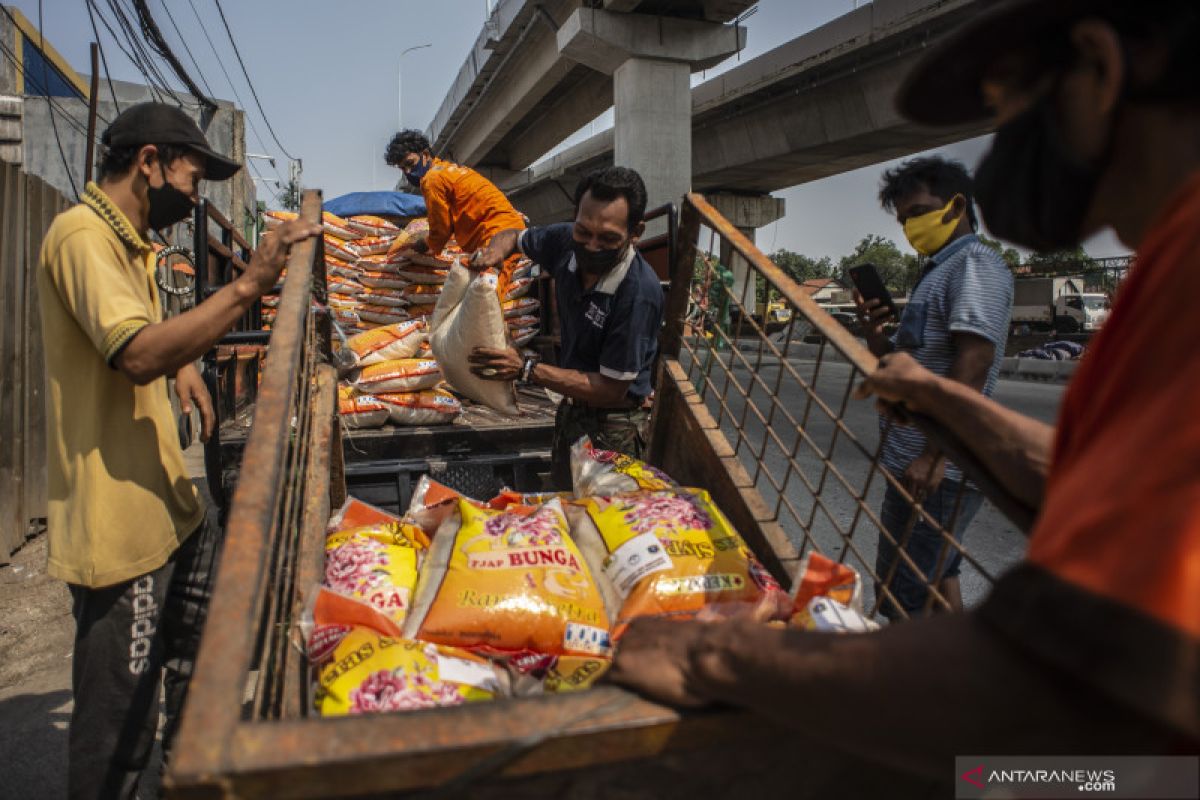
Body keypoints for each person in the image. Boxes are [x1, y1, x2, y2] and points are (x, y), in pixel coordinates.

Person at [609, 0, 1199, 783]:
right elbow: (1100, 487)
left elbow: (1057, 694)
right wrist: (940, 404)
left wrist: (718, 652)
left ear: (1099, 64)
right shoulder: (1165, 264)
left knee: (957, 742)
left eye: (1008, 109)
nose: (1002, 146)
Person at [37, 102, 320, 799]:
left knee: (199, 670)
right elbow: (133, 354)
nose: (195, 194)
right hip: (122, 526)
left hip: (174, 511)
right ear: (150, 162)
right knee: (118, 730)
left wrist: (183, 360)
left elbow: (148, 333)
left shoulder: (130, 244)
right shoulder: (81, 237)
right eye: (193, 176)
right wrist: (250, 285)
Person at [856, 156, 1013, 618]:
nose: (911, 227)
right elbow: (907, 362)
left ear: (957, 206)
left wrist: (935, 454)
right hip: (919, 460)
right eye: (904, 220)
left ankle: (917, 686)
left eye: (919, 212)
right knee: (939, 577)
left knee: (906, 592)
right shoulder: (939, 271)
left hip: (940, 469)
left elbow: (975, 359)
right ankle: (965, 677)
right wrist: (874, 332)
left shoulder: (974, 265)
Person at [465, 166, 664, 490]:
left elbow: (611, 388)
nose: (592, 246)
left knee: (603, 524)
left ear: (635, 232)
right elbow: (514, 236)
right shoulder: (564, 241)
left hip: (615, 427)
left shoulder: (638, 293)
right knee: (561, 508)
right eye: (584, 232)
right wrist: (494, 253)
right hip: (571, 413)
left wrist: (527, 369)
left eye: (608, 238)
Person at [384, 129, 527, 297]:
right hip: (503, 232)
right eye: (403, 168)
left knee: (487, 298)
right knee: (482, 296)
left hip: (498, 237)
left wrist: (426, 244)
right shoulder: (449, 169)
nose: (408, 172)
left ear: (424, 154)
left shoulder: (432, 179)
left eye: (410, 163)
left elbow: (442, 229)